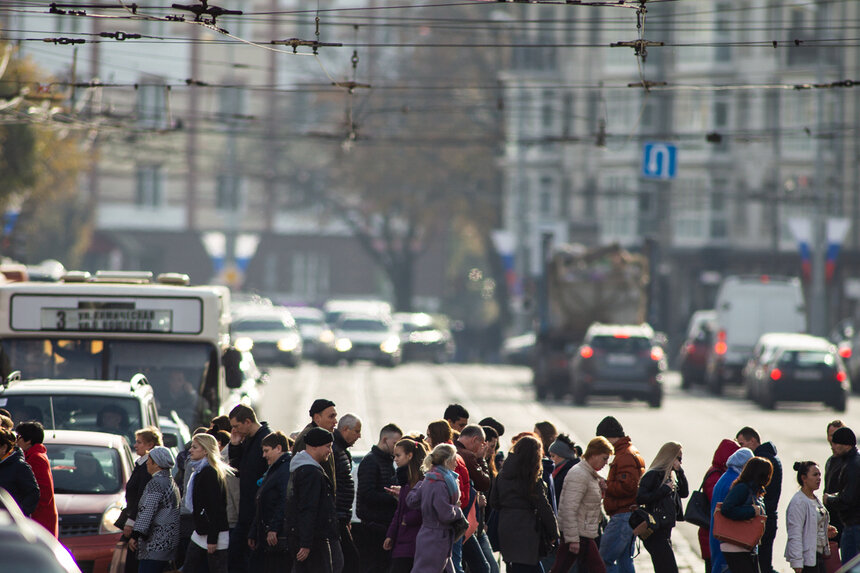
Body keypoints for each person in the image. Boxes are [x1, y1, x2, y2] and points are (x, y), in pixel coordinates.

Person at [490, 434, 559, 572]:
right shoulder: (531, 478)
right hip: (527, 530)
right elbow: (544, 507)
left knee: (513, 566)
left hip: (506, 527)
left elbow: (494, 502)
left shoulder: (502, 475)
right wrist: (554, 533)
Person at [551, 436, 614, 573]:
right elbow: (569, 507)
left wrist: (601, 489)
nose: (606, 463)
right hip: (578, 535)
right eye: (604, 458)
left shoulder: (588, 474)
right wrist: (573, 539)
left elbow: (587, 502)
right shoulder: (580, 474)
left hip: (582, 534)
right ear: (595, 455)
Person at [285, 427, 339, 573]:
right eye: (327, 446)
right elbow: (308, 508)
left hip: (307, 537)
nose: (329, 451)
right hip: (314, 541)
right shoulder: (311, 473)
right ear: (314, 446)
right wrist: (306, 543)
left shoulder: (302, 469)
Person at [596, 415, 645, 573]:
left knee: (603, 560)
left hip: (622, 516)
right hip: (628, 515)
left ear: (608, 437)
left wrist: (606, 485)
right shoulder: (628, 451)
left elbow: (628, 487)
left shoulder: (624, 456)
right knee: (624, 561)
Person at [407, 443, 466, 573]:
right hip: (436, 537)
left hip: (433, 536)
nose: (456, 464)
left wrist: (418, 486)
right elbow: (444, 513)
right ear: (447, 461)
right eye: (454, 460)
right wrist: (458, 510)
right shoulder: (439, 482)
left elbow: (412, 501)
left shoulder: (431, 479)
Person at [227, 404, 272, 573]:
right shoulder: (249, 439)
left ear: (247, 421)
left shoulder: (265, 439)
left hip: (256, 514)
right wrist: (235, 446)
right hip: (246, 512)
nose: (234, 430)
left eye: (236, 426)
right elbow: (238, 471)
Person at [183, 433, 233, 573]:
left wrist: (212, 538)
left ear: (205, 450)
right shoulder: (200, 471)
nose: (190, 450)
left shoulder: (210, 473)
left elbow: (216, 507)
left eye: (194, 447)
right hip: (201, 531)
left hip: (214, 533)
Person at [636, 441, 689, 573]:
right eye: (679, 458)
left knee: (665, 568)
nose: (680, 462)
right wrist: (664, 490)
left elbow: (684, 493)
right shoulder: (653, 474)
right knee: (667, 568)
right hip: (655, 529)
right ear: (670, 457)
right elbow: (640, 498)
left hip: (665, 529)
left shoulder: (671, 475)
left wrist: (680, 472)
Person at [357, 423, 403, 573]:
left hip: (384, 524)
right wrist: (394, 497)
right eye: (395, 443)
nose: (397, 448)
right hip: (372, 527)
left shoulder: (388, 461)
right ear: (384, 440)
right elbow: (367, 493)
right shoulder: (371, 461)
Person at [129, 446, 181, 573]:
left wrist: (135, 535)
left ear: (157, 464)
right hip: (168, 543)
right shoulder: (170, 481)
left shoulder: (156, 483)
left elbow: (147, 511)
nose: (147, 463)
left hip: (155, 544)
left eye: (149, 460)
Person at [737, 427, 783, 573]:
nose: (740, 449)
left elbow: (755, 488)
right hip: (768, 515)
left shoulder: (762, 461)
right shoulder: (771, 457)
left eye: (742, 444)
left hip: (762, 517)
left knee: (761, 566)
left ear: (753, 441)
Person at [117, 427, 162, 573]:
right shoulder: (141, 465)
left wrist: (131, 522)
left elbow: (141, 497)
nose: (135, 445)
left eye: (139, 442)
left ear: (150, 445)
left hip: (138, 522)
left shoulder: (147, 468)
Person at [719, 456, 773, 573]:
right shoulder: (743, 488)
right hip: (736, 544)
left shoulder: (756, 490)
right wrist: (752, 511)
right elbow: (726, 509)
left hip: (748, 545)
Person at [248, 431, 292, 573]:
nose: (264, 455)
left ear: (278, 448)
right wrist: (254, 531)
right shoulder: (275, 469)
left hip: (278, 538)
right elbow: (262, 503)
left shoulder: (284, 469)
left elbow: (284, 500)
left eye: (266, 451)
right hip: (268, 535)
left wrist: (274, 528)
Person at [384, 437, 428, 573]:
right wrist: (390, 534)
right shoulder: (406, 482)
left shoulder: (421, 481)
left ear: (409, 456)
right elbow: (399, 511)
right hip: (402, 539)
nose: (395, 459)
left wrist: (406, 520)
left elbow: (423, 509)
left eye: (398, 455)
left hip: (413, 540)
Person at [785, 461, 836, 573]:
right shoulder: (799, 502)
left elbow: (813, 524)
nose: (818, 478)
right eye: (814, 475)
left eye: (819, 475)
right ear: (804, 478)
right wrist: (797, 561)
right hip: (807, 559)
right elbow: (795, 533)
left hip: (819, 555)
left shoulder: (815, 499)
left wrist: (825, 530)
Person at [698, 439, 741, 573]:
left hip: (713, 531)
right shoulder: (716, 475)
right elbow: (717, 502)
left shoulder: (719, 473)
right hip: (711, 531)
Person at [711, 448, 756, 573]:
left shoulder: (725, 477)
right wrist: (753, 511)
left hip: (719, 534)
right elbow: (729, 509)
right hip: (730, 538)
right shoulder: (736, 482)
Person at [455, 425, 492, 573]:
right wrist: (482, 460)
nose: (482, 448)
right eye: (482, 444)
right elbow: (484, 483)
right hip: (464, 520)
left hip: (453, 518)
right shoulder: (467, 455)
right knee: (483, 567)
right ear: (475, 439)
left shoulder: (451, 449)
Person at [823, 427, 860, 564]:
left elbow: (848, 498)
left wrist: (829, 499)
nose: (833, 447)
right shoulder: (849, 461)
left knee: (850, 566)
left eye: (836, 443)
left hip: (854, 525)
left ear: (846, 445)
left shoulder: (853, 465)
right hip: (852, 524)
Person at [15, 421, 57, 536]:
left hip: (40, 517)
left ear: (28, 440)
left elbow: (44, 491)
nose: (16, 441)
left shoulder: (36, 458)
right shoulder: (33, 455)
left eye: (18, 437)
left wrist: (28, 507)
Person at [333, 413, 362, 573]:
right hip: (337, 517)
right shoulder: (335, 450)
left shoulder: (341, 451)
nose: (359, 436)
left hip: (342, 517)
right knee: (350, 561)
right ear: (345, 429)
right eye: (357, 431)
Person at [293, 399, 339, 491]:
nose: (335, 421)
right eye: (331, 417)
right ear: (317, 418)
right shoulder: (308, 439)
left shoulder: (323, 438)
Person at [0, 427, 39, 516]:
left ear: (4, 447)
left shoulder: (19, 466)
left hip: (10, 523)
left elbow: (33, 494)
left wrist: (17, 514)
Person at [824, 420, 845, 548]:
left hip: (847, 519)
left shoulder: (850, 462)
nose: (834, 439)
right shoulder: (830, 461)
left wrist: (830, 498)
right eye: (831, 435)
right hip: (832, 518)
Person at [547, 434, 578, 505]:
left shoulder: (569, 473)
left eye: (553, 456)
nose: (550, 459)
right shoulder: (560, 470)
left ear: (563, 456)